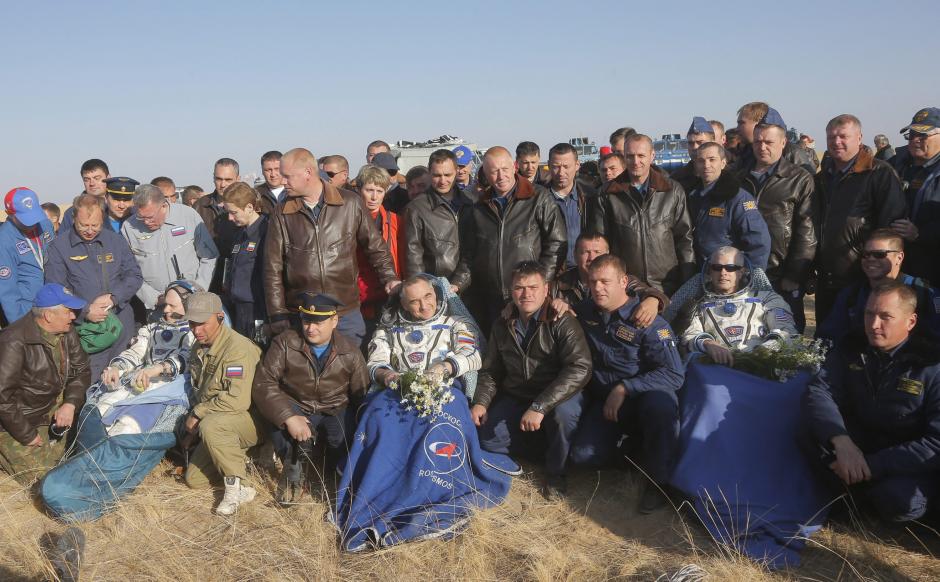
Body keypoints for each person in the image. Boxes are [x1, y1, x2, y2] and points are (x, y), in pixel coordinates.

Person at [40, 280, 199, 522]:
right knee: (98, 407)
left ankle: (92, 480)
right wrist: (116, 367)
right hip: (139, 380)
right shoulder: (152, 328)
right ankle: (81, 468)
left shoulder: (193, 333)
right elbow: (135, 352)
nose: (166, 311)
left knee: (128, 425)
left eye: (172, 306)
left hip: (169, 389)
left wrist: (158, 369)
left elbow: (186, 358)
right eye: (165, 305)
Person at [802, 281, 940, 523]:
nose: (874, 325)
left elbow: (935, 443)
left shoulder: (931, 364)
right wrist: (840, 440)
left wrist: (872, 465)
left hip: (906, 460)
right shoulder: (851, 347)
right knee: (806, 432)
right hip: (859, 445)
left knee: (896, 499)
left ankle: (860, 497)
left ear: (911, 321)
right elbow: (820, 391)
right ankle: (851, 495)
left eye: (885, 316)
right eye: (869, 314)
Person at [570, 255, 684, 512]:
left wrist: (626, 388)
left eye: (605, 282)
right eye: (593, 282)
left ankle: (659, 483)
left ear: (624, 282)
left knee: (661, 407)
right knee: (583, 457)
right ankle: (637, 453)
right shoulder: (585, 311)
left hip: (643, 399)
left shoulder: (649, 320)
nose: (598, 288)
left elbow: (674, 374)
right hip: (606, 403)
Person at [472, 262, 591, 499]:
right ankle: (550, 446)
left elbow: (580, 367)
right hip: (519, 393)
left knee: (563, 416)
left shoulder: (561, 320)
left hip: (558, 395)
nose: (526, 294)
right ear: (511, 291)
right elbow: (492, 371)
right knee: (487, 440)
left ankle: (557, 472)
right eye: (519, 288)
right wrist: (481, 402)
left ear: (546, 289)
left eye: (533, 287)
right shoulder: (502, 324)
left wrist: (540, 406)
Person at [264, 148, 400, 346]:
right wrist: (277, 313)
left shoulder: (350, 203)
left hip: (345, 312)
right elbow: (272, 268)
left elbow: (375, 247)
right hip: (303, 315)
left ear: (308, 173)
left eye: (287, 176)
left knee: (352, 371)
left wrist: (390, 278)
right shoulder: (281, 213)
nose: (282, 181)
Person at [253, 293, 367, 504]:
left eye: (318, 322)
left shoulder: (350, 353)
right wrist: (289, 417)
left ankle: (334, 475)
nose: (310, 328)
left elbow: (361, 395)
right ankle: (294, 475)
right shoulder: (284, 343)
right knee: (290, 439)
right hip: (296, 405)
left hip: (334, 408)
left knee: (341, 446)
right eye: (306, 321)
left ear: (334, 321)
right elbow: (264, 384)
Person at [453, 146, 567, 336]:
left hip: (528, 297)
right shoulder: (479, 208)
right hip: (492, 298)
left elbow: (556, 244)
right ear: (485, 174)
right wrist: (457, 283)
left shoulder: (538, 198)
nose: (500, 176)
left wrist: (538, 284)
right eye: (493, 171)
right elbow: (470, 255)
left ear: (514, 167)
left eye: (504, 169)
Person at [814, 114, 906, 323]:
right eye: (831, 137)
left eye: (843, 136)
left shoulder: (880, 174)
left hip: (863, 276)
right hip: (827, 276)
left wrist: (876, 269)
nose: (836, 142)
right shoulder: (822, 178)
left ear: (859, 137)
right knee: (826, 341)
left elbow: (890, 228)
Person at [45, 193, 143, 380]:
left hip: (121, 322)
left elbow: (134, 275)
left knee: (124, 378)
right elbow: (55, 288)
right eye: (83, 225)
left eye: (95, 225)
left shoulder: (115, 241)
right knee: (92, 381)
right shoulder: (59, 247)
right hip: (88, 331)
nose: (89, 231)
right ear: (74, 219)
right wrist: (85, 310)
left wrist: (114, 297)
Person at [182, 291, 262, 516]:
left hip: (251, 420)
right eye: (192, 323)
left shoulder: (237, 349)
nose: (197, 330)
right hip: (220, 421)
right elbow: (201, 391)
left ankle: (239, 487)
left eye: (203, 324)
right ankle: (242, 456)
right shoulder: (198, 347)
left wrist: (197, 415)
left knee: (211, 426)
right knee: (194, 480)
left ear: (219, 317)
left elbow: (237, 401)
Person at [0, 284, 89, 484]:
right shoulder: (13, 342)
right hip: (19, 420)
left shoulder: (67, 332)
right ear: (48, 315)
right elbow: (2, 399)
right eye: (68, 311)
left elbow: (82, 369)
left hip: (52, 409)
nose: (74, 317)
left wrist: (70, 403)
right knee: (44, 480)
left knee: (70, 460)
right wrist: (26, 435)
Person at [738, 108, 817, 331]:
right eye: (757, 142)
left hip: (780, 274)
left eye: (769, 142)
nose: (762, 147)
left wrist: (793, 275)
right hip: (744, 274)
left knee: (785, 335)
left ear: (783, 143)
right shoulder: (738, 177)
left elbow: (807, 234)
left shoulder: (799, 179)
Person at [587, 133, 695, 296]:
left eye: (641, 155)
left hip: (668, 287)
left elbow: (684, 239)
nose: (636, 162)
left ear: (652, 156)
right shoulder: (606, 194)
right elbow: (600, 245)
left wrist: (687, 283)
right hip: (627, 288)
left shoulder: (672, 191)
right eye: (630, 156)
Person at [817, 229, 940, 345]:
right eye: (865, 254)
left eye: (879, 254)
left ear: (899, 257)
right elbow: (828, 338)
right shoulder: (851, 295)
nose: (870, 259)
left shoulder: (924, 294)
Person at [682, 247, 797, 363]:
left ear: (741, 272)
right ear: (710, 272)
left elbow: (786, 331)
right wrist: (708, 344)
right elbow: (689, 336)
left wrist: (765, 350)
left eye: (730, 268)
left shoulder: (767, 298)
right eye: (717, 268)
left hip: (763, 364)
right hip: (718, 367)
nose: (723, 273)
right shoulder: (698, 304)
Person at [369, 275, 481, 391]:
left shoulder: (456, 323)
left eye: (427, 296)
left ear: (435, 293)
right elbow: (375, 363)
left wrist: (443, 368)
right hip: (398, 390)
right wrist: (387, 375)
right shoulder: (388, 329)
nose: (423, 306)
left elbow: (473, 355)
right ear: (404, 305)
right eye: (414, 302)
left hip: (446, 388)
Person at [122, 184, 218, 310]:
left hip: (193, 304)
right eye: (141, 217)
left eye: (150, 217)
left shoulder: (188, 216)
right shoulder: (129, 228)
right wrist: (154, 298)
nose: (146, 222)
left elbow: (209, 256)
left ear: (163, 205)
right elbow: (130, 271)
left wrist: (198, 289)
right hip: (157, 307)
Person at [686, 143, 771, 269]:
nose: (706, 165)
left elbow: (758, 242)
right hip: (702, 273)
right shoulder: (693, 197)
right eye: (701, 161)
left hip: (729, 275)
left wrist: (749, 276)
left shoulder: (738, 198)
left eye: (712, 160)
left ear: (723, 163)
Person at [553, 233, 669, 322]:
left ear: (608, 253)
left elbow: (652, 292)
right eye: (585, 252)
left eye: (597, 252)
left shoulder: (620, 280)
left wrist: (653, 300)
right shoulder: (559, 285)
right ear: (575, 255)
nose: (591, 258)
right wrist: (556, 306)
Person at [402, 149, 475, 284]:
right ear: (429, 174)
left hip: (473, 285)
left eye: (448, 175)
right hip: (437, 288)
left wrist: (459, 282)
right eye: (437, 175)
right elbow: (413, 258)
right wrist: (422, 289)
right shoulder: (416, 209)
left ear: (456, 172)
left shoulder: (472, 203)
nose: (443, 181)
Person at [889, 107, 940, 283]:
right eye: (911, 135)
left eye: (922, 135)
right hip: (894, 267)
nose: (915, 140)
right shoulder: (896, 165)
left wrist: (919, 234)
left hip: (931, 270)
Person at [354, 165, 405, 329]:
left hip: (388, 294)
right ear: (359, 189)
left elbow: (403, 259)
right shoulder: (347, 219)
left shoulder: (396, 221)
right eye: (369, 190)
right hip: (358, 297)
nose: (374, 196)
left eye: (380, 191)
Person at [0, 187, 56, 323]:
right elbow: (7, 292)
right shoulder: (4, 240)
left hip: (54, 304)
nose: (32, 223)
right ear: (10, 214)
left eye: (34, 215)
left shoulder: (45, 225)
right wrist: (19, 327)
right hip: (28, 311)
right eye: (25, 218)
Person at [220, 182, 268, 341]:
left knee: (257, 350)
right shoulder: (240, 234)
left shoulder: (266, 233)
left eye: (234, 212)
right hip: (238, 308)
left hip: (257, 309)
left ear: (249, 207)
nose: (229, 218)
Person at [193, 158, 241, 292]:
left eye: (228, 180)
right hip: (209, 278)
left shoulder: (248, 205)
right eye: (219, 179)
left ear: (238, 179)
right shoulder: (200, 206)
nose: (223, 184)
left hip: (238, 276)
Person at [548, 142, 596, 268]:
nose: (561, 172)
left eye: (566, 166)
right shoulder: (538, 199)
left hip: (584, 270)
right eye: (556, 166)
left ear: (577, 165)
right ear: (548, 165)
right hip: (551, 271)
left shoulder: (591, 197)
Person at [733, 102, 816, 174]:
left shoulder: (793, 154)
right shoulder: (746, 152)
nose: (737, 128)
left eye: (741, 123)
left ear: (759, 123)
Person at [60, 159, 111, 231]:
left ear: (108, 178)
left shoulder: (121, 208)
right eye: (87, 179)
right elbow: (63, 240)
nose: (92, 183)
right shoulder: (72, 212)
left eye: (97, 178)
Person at [670, 116, 716, 194]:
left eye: (700, 142)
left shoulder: (729, 177)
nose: (695, 147)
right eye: (690, 143)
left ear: (713, 143)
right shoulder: (676, 179)